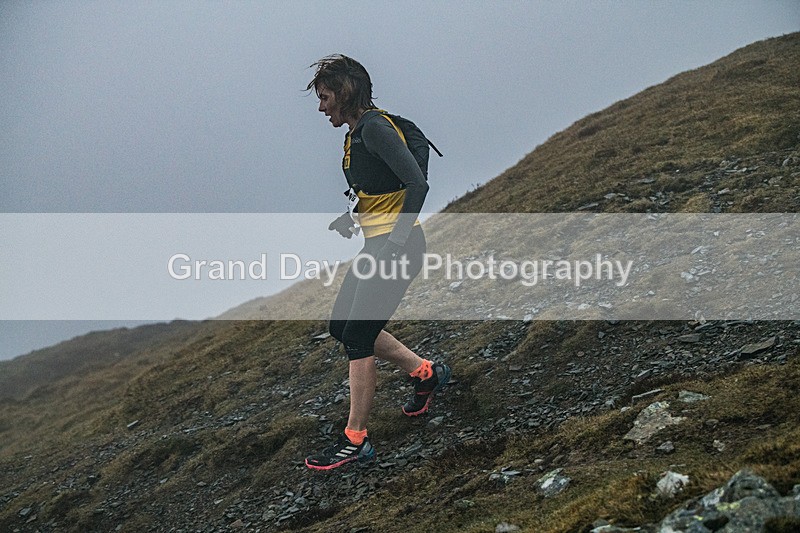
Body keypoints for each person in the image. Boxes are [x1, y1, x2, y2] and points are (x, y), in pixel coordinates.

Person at [304, 54, 451, 471]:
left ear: (344, 93)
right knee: (342, 326)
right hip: (378, 244)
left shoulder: (375, 128)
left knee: (359, 336)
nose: (321, 107)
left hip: (398, 246)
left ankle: (356, 441)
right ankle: (426, 373)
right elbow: (381, 189)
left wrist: (397, 239)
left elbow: (417, 184)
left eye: (325, 97)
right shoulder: (355, 134)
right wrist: (351, 218)